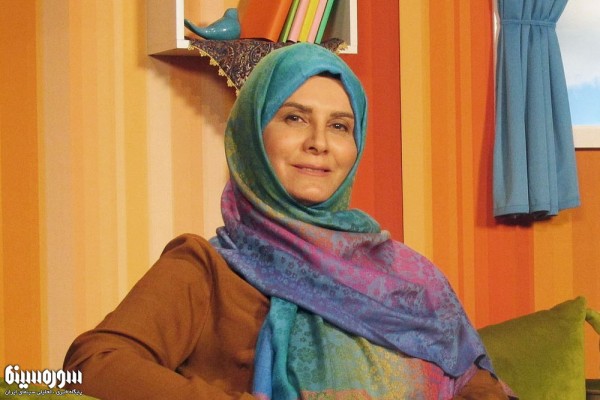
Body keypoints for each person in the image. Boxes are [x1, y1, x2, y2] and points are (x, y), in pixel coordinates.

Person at [63, 43, 514, 399]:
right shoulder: (205, 271)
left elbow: (471, 381)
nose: (319, 142)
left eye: (339, 126)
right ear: (253, 134)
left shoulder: (407, 276)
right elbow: (90, 364)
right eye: (295, 118)